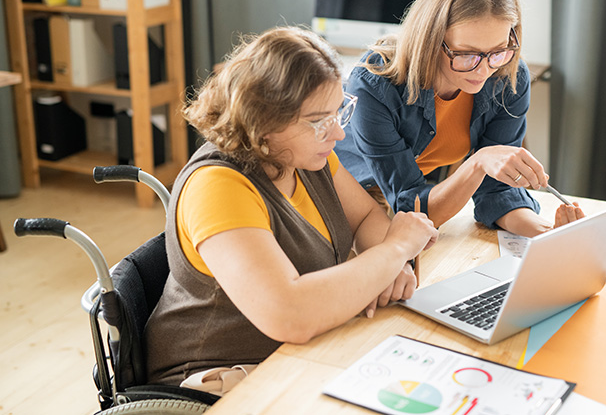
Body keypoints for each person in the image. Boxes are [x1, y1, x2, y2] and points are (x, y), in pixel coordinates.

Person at [144, 27, 438, 395]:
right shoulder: (217, 186)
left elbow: (364, 218)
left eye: (338, 113)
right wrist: (395, 251)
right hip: (217, 377)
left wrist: (389, 265)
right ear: (263, 119)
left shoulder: (304, 158)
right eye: (318, 122)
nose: (337, 136)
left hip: (299, 353)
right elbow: (290, 315)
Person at [335, 0, 584, 237]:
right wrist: (478, 162)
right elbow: (412, 206)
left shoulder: (507, 77)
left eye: (498, 51)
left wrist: (548, 233)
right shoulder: (376, 82)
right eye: (467, 54)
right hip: (346, 196)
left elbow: (497, 190)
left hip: (407, 205)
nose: (484, 71)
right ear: (431, 39)